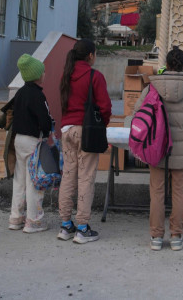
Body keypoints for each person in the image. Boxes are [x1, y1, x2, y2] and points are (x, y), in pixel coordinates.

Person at [129, 48, 183, 251]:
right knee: (181, 195)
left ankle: (156, 237)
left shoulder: (153, 87)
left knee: (157, 193)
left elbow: (137, 113)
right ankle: (176, 236)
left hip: (157, 150)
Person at [57, 39, 112, 243]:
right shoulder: (94, 76)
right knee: (86, 178)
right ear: (90, 55)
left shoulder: (66, 75)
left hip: (67, 130)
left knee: (69, 176)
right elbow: (105, 107)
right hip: (86, 132)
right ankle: (82, 227)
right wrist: (101, 126)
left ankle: (65, 225)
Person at [8, 54, 54, 233]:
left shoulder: (20, 93)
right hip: (33, 141)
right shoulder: (37, 95)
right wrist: (49, 129)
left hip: (18, 139)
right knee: (35, 181)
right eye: (42, 72)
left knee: (19, 180)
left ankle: (15, 218)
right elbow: (44, 120)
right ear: (36, 74)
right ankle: (33, 221)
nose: (44, 74)